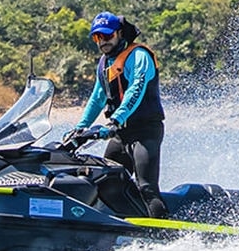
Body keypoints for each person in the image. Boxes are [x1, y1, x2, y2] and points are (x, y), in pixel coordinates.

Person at [69, 11, 167, 218]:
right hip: (121, 134)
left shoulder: (139, 56)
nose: (103, 41)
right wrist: (80, 128)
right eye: (97, 37)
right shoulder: (105, 64)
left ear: (120, 33)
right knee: (107, 181)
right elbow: (97, 98)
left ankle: (164, 231)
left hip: (146, 132)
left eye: (107, 35)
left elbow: (135, 90)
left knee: (146, 186)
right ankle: (120, 224)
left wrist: (115, 120)